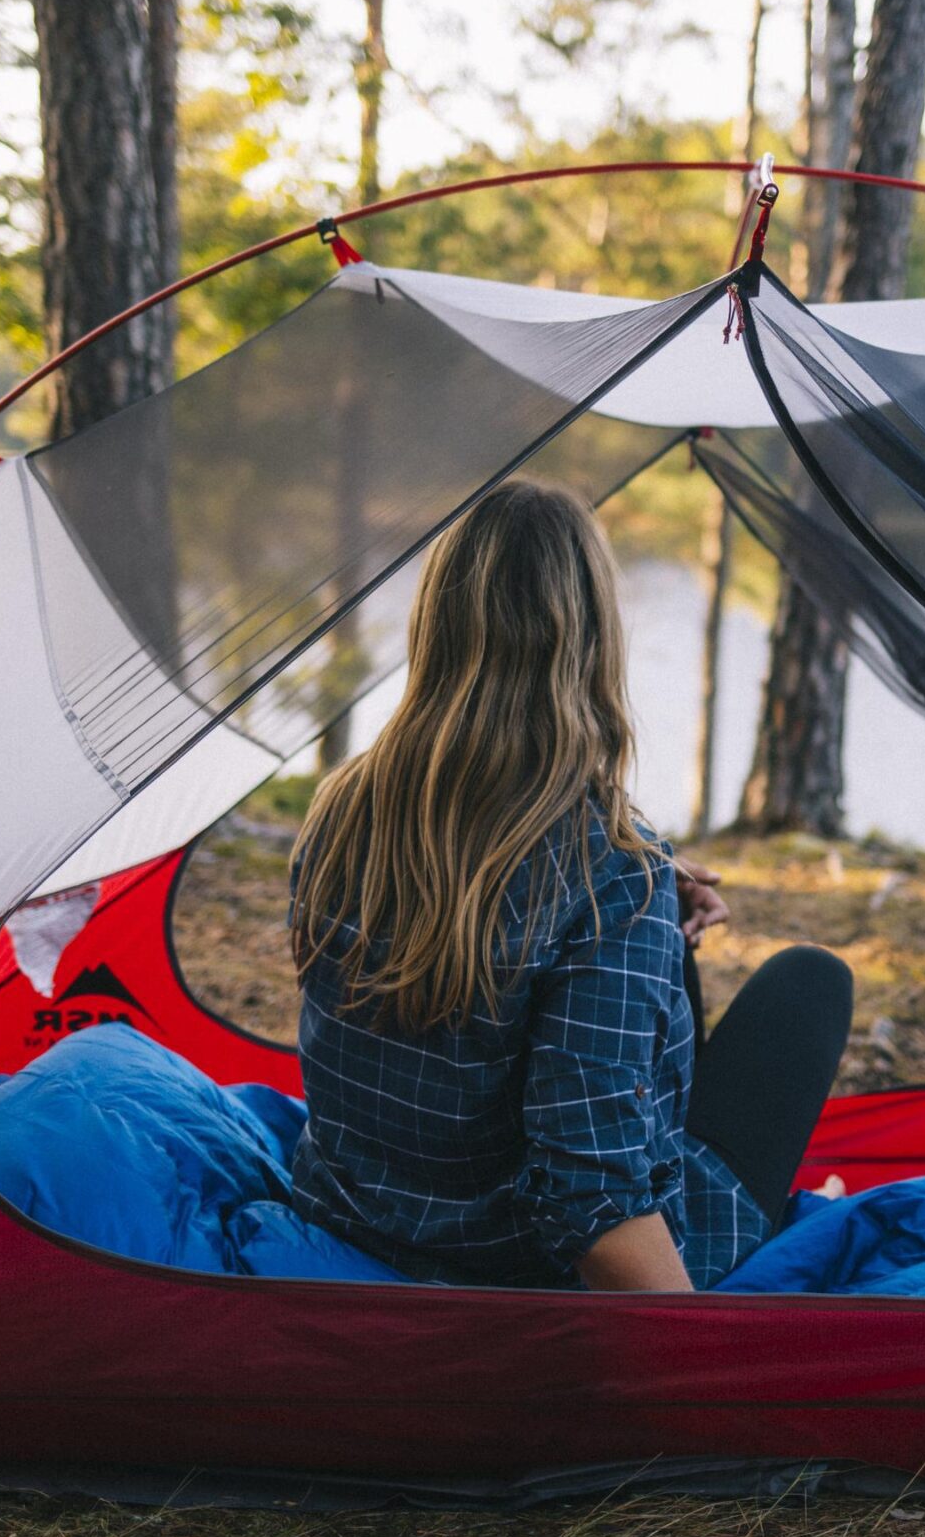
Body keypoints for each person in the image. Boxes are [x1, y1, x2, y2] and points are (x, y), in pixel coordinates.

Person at [289, 479, 853, 1292]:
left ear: (436, 623)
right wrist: (710, 1351)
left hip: (354, 1206)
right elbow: (589, 1199)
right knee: (810, 984)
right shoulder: (603, 872)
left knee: (658, 962)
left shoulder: (340, 805)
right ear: (589, 637)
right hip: (524, 1261)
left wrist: (653, 888)